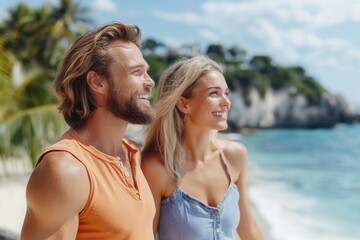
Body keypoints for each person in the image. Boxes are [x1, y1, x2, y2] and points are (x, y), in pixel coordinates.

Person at [21, 21, 156, 240]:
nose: (149, 82)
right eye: (136, 72)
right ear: (97, 82)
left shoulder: (131, 153)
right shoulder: (65, 169)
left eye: (146, 72)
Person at [141, 55, 264, 240]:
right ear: (183, 104)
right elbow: (145, 235)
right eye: (214, 93)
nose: (226, 102)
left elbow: (248, 230)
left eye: (226, 93)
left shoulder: (234, 156)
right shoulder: (158, 168)